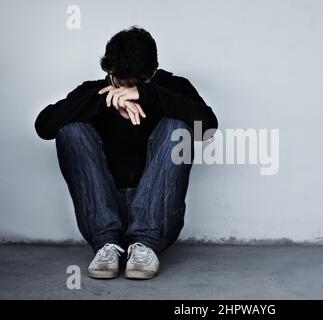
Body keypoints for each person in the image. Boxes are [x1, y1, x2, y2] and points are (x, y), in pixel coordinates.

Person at [34, 26, 218, 280]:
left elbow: (207, 128)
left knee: (179, 126)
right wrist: (103, 100)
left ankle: (144, 244)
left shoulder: (172, 87)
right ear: (110, 73)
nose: (126, 90)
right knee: (71, 128)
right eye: (121, 83)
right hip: (102, 212)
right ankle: (107, 246)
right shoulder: (95, 91)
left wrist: (147, 95)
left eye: (137, 84)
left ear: (153, 73)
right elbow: (44, 126)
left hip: (158, 212)